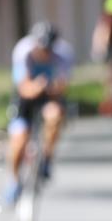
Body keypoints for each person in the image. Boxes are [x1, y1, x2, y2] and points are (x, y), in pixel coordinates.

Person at [5, 21, 74, 204]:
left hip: (50, 94)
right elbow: (23, 87)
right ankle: (14, 181)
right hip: (26, 96)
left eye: (48, 50)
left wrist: (50, 88)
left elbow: (62, 86)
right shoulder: (23, 51)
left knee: (55, 116)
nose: (44, 53)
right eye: (41, 48)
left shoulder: (64, 54)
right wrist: (37, 87)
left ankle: (47, 158)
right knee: (18, 142)